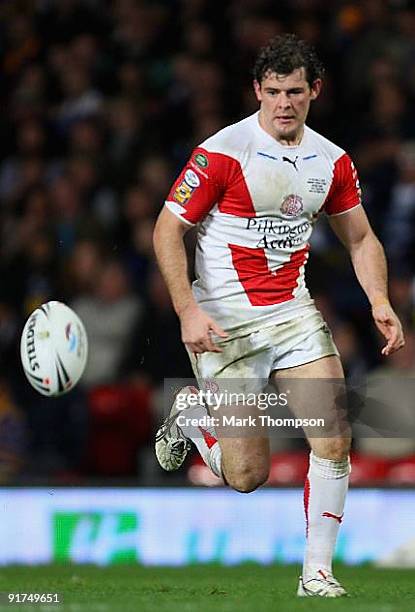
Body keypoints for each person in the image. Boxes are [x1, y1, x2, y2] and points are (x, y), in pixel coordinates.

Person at [153, 34, 405, 597]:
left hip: (293, 315)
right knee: (247, 477)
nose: (283, 103)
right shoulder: (222, 151)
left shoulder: (331, 160)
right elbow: (168, 230)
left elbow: (361, 238)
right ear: (257, 92)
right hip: (224, 323)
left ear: (314, 91)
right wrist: (187, 311)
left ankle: (317, 573)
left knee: (334, 439)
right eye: (272, 92)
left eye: (294, 92)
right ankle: (195, 418)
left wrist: (380, 301)